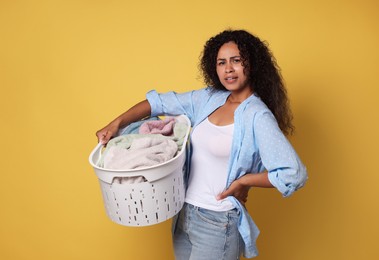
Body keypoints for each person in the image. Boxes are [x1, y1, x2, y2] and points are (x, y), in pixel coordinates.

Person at [96, 29, 307, 259]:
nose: (228, 69)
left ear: (252, 64)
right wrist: (116, 123)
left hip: (218, 223)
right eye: (221, 62)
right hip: (184, 213)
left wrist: (245, 181)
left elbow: (293, 174)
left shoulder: (257, 116)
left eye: (236, 61)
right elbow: (158, 102)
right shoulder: (209, 98)